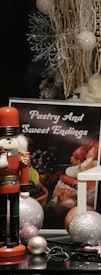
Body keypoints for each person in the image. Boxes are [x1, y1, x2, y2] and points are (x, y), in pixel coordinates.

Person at [0, 106, 29, 260]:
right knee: (2, 214)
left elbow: (24, 172)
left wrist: (25, 188)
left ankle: (14, 240)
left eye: (8, 139)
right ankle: (2, 239)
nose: (4, 143)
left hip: (15, 187)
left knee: (15, 214)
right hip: (1, 188)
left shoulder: (20, 156)